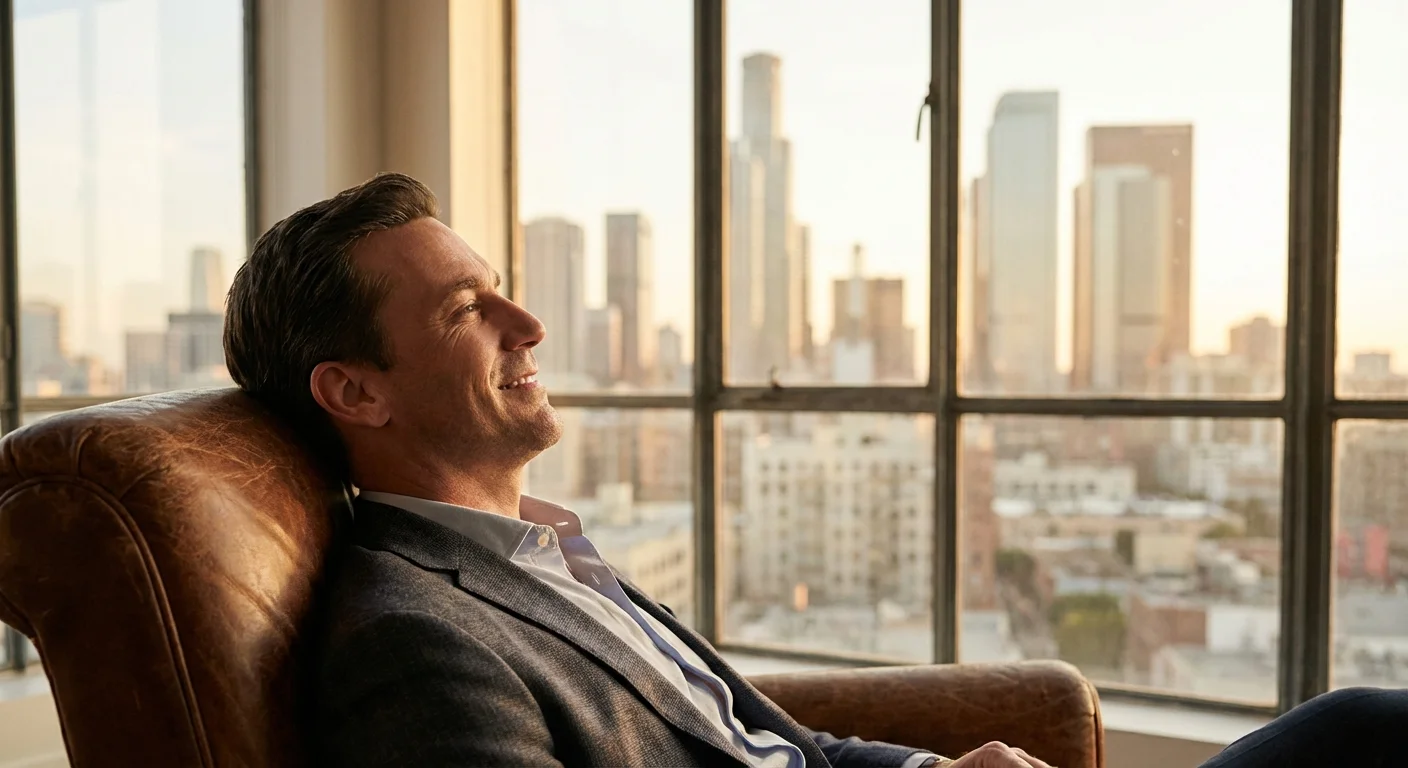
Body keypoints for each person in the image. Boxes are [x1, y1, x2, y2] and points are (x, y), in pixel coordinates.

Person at [224, 173, 1407, 768]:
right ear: (355, 391)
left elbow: (761, 735)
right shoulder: (412, 638)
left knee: (1354, 728)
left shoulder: (541, 551)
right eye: (466, 312)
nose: (527, 324)